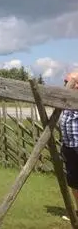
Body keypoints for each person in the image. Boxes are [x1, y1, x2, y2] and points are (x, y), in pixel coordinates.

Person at [60, 71, 78, 219]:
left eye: (73, 82)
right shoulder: (64, 100)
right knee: (73, 181)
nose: (70, 85)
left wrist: (73, 78)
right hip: (69, 146)